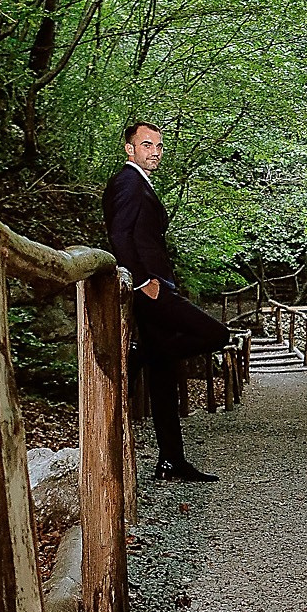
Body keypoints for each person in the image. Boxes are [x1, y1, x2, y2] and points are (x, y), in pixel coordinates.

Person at [102, 120, 229, 482]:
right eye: (146, 145)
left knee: (163, 379)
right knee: (216, 334)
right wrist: (143, 282)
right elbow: (119, 236)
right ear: (130, 149)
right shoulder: (127, 183)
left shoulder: (140, 183)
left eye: (158, 146)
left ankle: (171, 460)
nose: (154, 152)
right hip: (150, 288)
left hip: (157, 284)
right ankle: (143, 354)